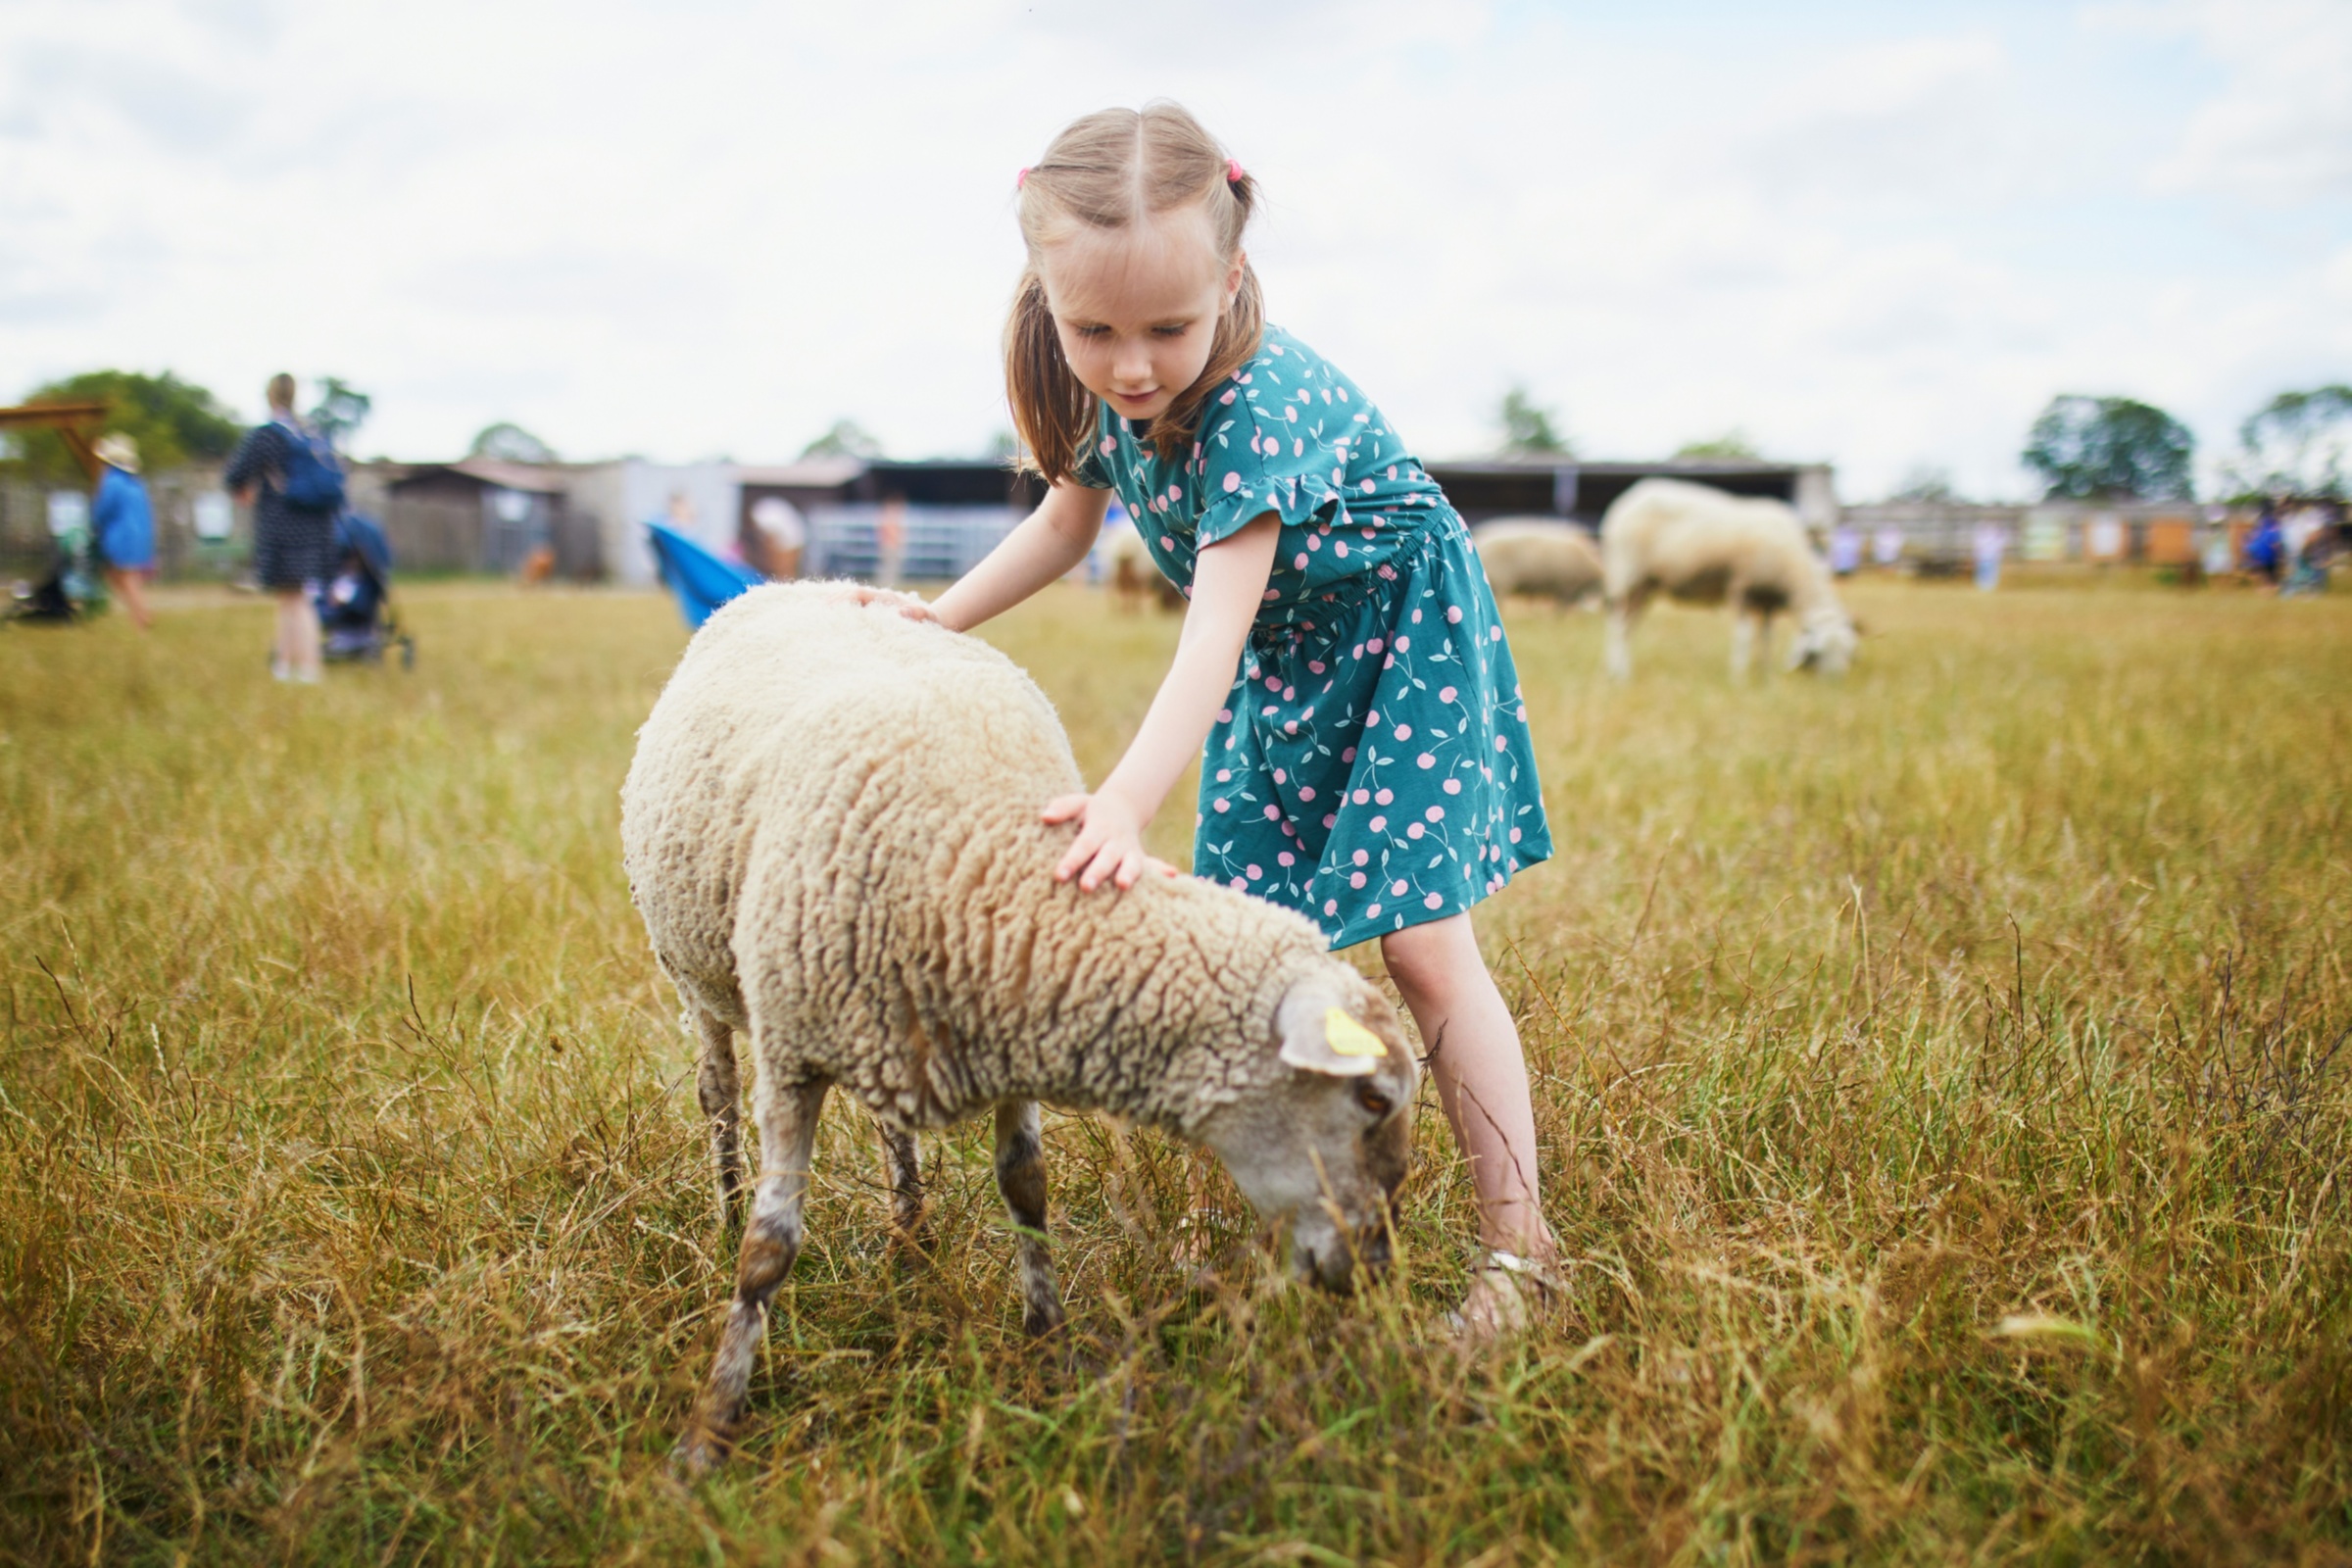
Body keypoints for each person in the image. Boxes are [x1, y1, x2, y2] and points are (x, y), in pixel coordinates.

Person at [851, 104, 1558, 1338]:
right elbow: (1066, 528)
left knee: (1425, 951)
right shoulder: (1096, 386)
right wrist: (935, 620)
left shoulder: (1256, 405)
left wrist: (1126, 797)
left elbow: (1210, 631)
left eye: (1168, 328)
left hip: (1396, 644)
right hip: (1292, 654)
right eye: (1095, 330)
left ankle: (1524, 1255)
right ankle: (1301, 1204)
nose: (1131, 366)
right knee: (1258, 940)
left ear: (1230, 279)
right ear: (1047, 293)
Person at [224, 374, 339, 682]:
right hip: (315, 525)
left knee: (295, 599)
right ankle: (286, 665)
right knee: (293, 597)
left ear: (270, 396)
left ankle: (309, 667)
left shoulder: (268, 435)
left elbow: (235, 475)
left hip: (283, 525)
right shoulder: (307, 433)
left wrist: (247, 492)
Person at [90, 432, 155, 629]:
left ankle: (141, 618)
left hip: (120, 536)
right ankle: (141, 613)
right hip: (141, 536)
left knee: (124, 578)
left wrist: (94, 524)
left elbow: (103, 510)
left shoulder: (112, 481)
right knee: (126, 577)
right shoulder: (136, 483)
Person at [1972, 519, 2008, 591]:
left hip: (1991, 556)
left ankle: (1989, 586)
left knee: (1991, 572)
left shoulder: (1994, 537)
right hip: (1983, 556)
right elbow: (1978, 546)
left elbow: (2000, 543)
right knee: (1983, 571)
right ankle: (1982, 585)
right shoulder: (1981, 537)